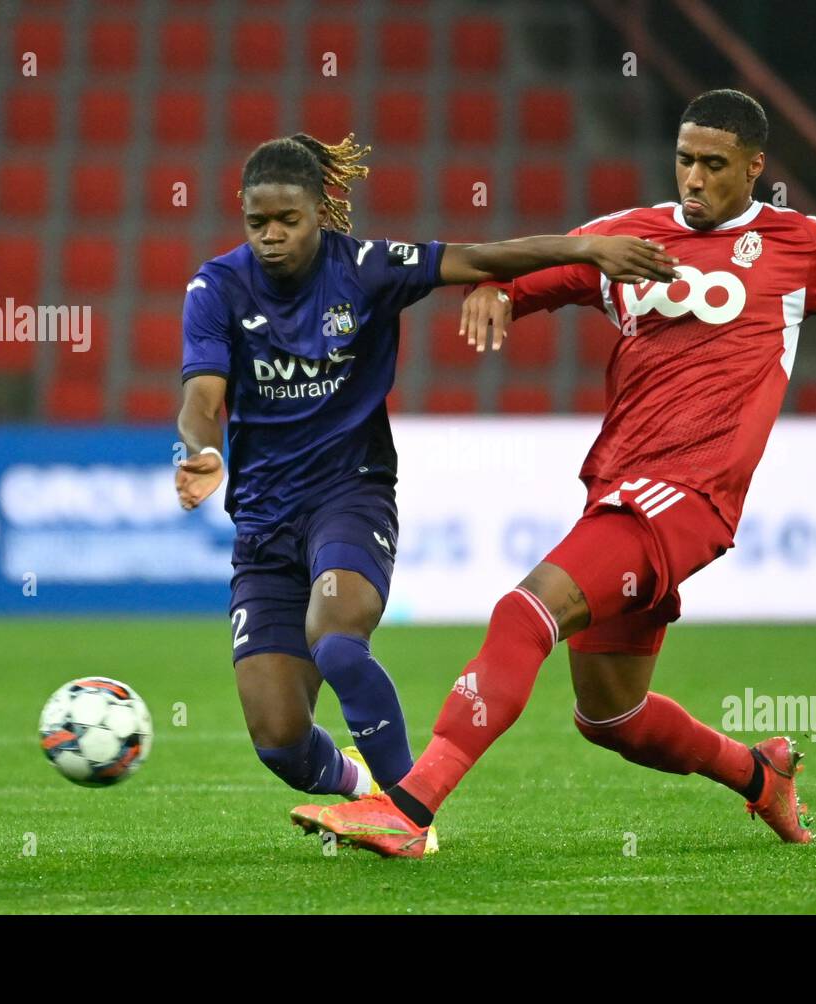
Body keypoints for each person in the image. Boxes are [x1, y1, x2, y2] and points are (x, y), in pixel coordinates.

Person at [288, 92, 816, 858]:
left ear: (755, 168)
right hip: (618, 486)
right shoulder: (628, 236)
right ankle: (760, 775)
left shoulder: (801, 246)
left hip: (690, 495)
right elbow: (532, 275)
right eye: (685, 159)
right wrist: (494, 291)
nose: (694, 177)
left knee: (524, 614)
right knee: (610, 715)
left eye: (715, 165)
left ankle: (410, 808)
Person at [174, 132, 679, 830]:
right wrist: (198, 451)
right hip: (262, 523)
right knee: (280, 742)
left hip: (350, 495)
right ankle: (358, 786)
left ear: (321, 210)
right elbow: (202, 397)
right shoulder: (217, 287)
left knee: (338, 640)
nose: (271, 236)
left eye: (287, 220)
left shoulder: (367, 270)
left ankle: (410, 809)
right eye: (257, 222)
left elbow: (479, 257)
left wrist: (585, 248)